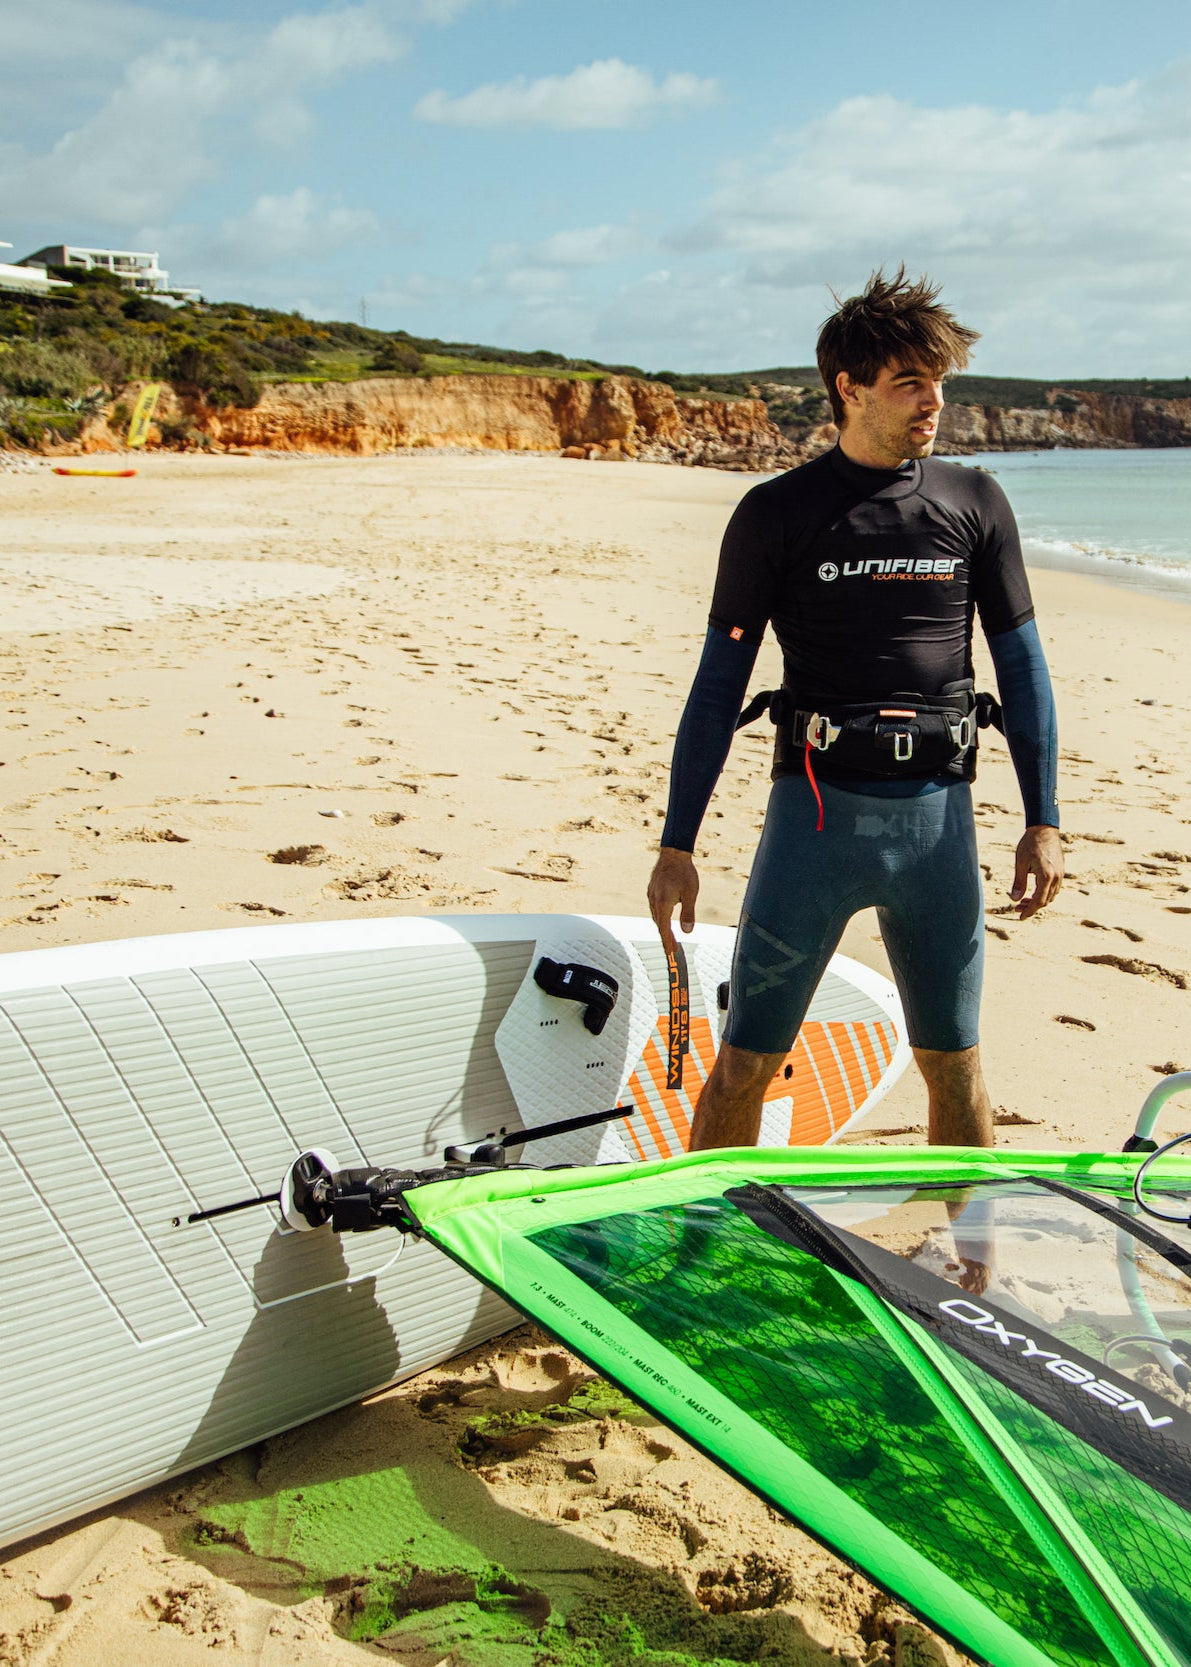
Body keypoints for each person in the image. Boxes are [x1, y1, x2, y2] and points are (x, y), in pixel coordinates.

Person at [647, 268, 1063, 1153]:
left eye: (937, 381)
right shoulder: (775, 514)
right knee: (745, 1064)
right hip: (814, 824)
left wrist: (1043, 821)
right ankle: (709, 1229)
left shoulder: (973, 501)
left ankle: (962, 1234)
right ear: (850, 388)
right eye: (910, 382)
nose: (933, 401)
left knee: (955, 1063)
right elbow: (717, 686)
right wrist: (676, 844)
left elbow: (1023, 670)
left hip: (937, 830)